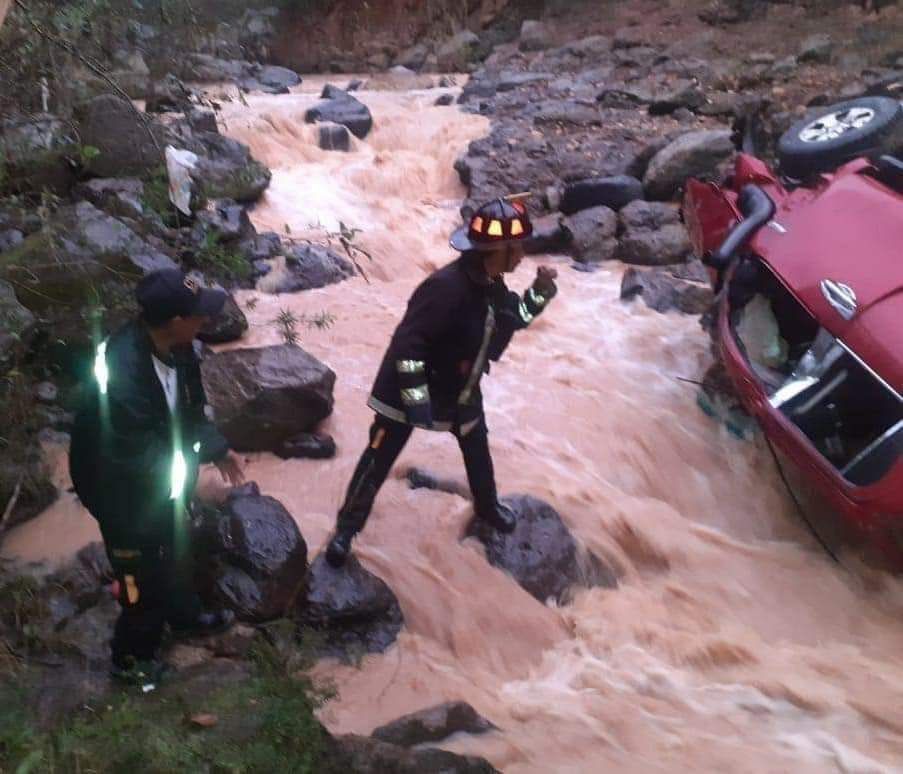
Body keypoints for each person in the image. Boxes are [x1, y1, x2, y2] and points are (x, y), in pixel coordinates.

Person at [325, 197, 558, 568]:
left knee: (477, 447)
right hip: (407, 389)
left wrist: (540, 293)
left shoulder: (492, 285)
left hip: (459, 388)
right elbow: (408, 346)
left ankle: (487, 507)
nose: (523, 255)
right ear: (496, 250)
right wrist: (417, 404)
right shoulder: (444, 288)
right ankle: (345, 532)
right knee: (378, 457)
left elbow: (515, 318)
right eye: (518, 248)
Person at [69, 269, 245, 683]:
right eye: (198, 314)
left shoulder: (180, 350)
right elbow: (136, 461)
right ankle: (131, 661)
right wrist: (191, 484)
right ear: (174, 321)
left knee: (172, 541)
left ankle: (184, 616)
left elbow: (190, 410)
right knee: (138, 577)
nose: (207, 320)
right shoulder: (124, 372)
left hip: (152, 473)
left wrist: (219, 449)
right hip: (117, 490)